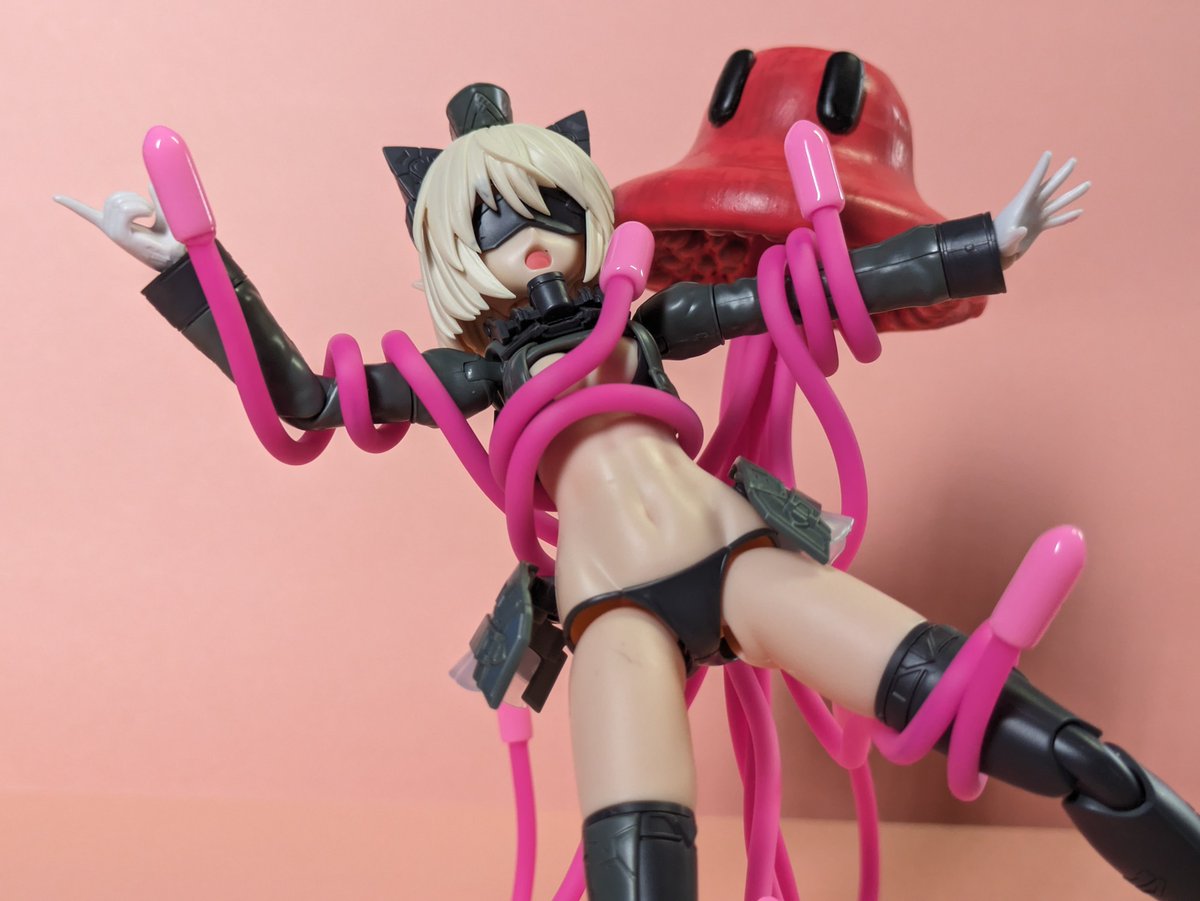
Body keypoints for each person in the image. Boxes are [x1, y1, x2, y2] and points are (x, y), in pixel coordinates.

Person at [57, 71, 1199, 901]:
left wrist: (985, 243)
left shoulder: (648, 318)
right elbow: (306, 400)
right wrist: (190, 265)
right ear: (451, 251)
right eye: (495, 224)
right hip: (609, 616)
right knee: (640, 860)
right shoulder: (471, 375)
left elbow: (804, 294)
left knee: (965, 701)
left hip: (736, 556)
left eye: (554, 210)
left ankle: (1145, 820)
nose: (535, 241)